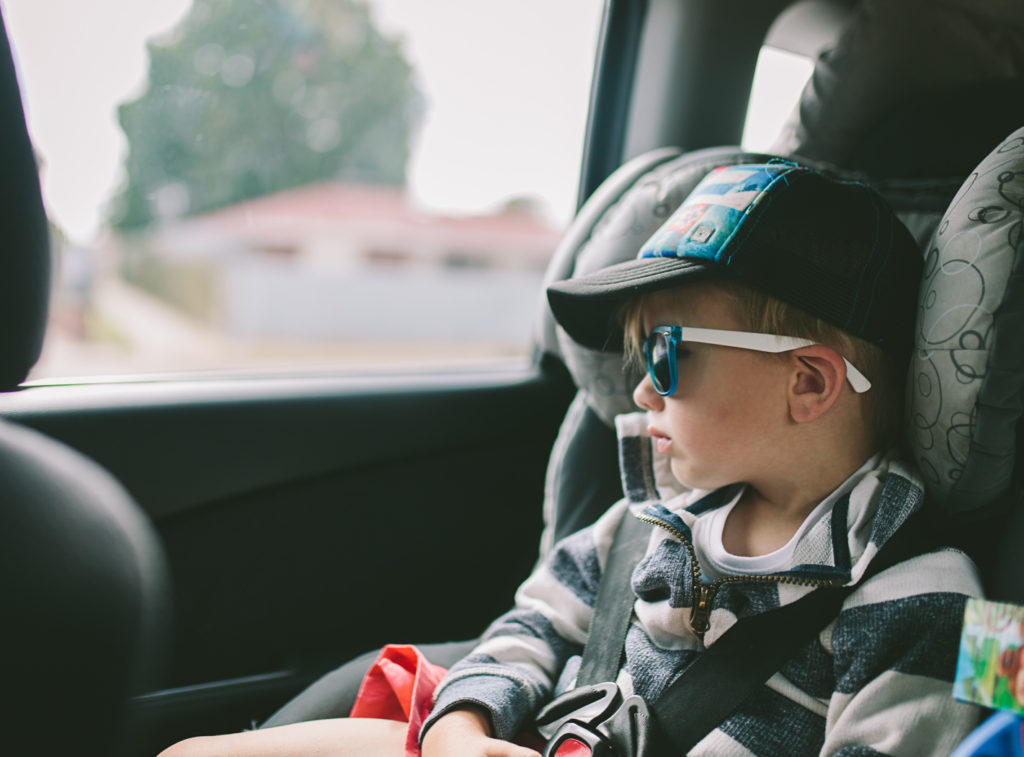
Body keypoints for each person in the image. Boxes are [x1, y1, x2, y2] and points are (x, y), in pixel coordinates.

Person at [159, 162, 983, 757]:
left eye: (666, 356)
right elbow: (536, 622)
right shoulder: (648, 518)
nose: (641, 396)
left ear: (807, 382)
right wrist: (465, 723)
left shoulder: (924, 598)